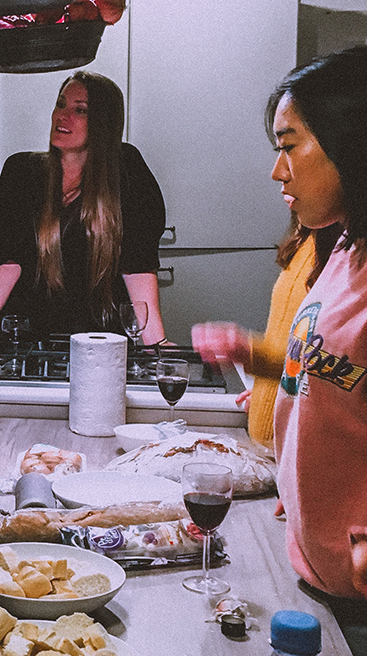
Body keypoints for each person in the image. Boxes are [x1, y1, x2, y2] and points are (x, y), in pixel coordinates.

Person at [262, 45, 367, 648]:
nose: (277, 171)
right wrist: (301, 490)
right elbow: (337, 374)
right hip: (318, 578)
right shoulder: (345, 247)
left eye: (289, 145)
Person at [0, 71, 168, 345]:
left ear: (102, 123)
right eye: (60, 104)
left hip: (103, 343)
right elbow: (5, 263)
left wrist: (155, 345)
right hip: (29, 341)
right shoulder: (21, 172)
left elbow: (137, 268)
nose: (63, 116)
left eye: (80, 110)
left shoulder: (127, 172)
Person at [191, 222, 341, 448]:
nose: (281, 187)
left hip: (304, 450)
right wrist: (269, 391)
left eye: (287, 182)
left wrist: (250, 352)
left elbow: (340, 369)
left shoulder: (350, 253)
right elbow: (294, 345)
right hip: (270, 447)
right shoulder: (306, 238)